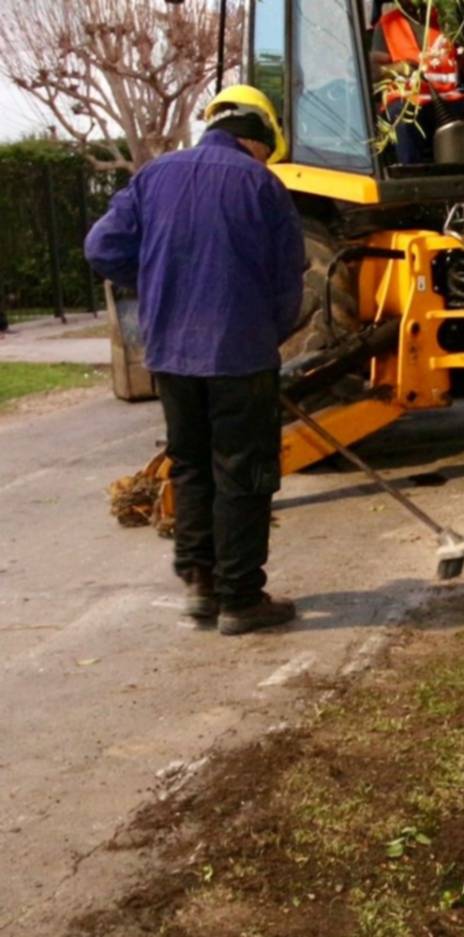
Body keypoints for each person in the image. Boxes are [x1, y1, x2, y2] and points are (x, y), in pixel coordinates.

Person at [85, 85, 304, 636]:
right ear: (256, 142)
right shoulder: (262, 184)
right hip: (239, 355)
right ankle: (241, 599)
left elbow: (101, 247)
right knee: (244, 474)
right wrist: (264, 338)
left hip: (172, 357)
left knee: (192, 466)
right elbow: (287, 284)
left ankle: (201, 588)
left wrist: (159, 286)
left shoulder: (154, 176)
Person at [371, 0, 464, 164]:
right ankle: (411, 175)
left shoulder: (448, 20)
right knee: (403, 117)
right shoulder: (387, 24)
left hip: (451, 97)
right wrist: (400, 69)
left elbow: (460, 64)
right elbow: (375, 71)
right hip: (410, 99)